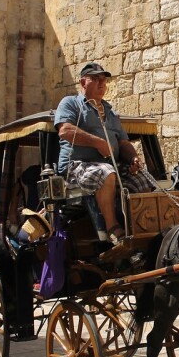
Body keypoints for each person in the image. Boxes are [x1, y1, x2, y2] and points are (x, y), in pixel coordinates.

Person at [54, 62, 149, 257]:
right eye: (95, 79)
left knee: (143, 180)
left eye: (103, 80)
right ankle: (112, 228)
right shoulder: (70, 103)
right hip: (76, 167)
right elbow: (65, 130)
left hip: (110, 164)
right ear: (83, 82)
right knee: (106, 173)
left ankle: (142, 227)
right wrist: (97, 142)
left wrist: (133, 159)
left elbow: (123, 143)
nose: (101, 83)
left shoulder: (111, 112)